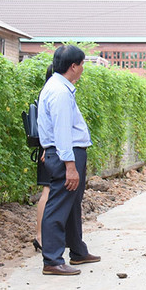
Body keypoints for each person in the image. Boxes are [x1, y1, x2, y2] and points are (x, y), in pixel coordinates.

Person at [37, 46, 100, 275]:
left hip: (66, 152)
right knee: (58, 205)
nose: (83, 69)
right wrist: (70, 165)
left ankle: (78, 251)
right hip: (67, 154)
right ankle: (52, 260)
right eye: (82, 64)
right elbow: (62, 131)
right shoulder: (60, 92)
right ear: (73, 66)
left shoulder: (57, 87)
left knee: (73, 204)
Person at [32, 65, 54, 252]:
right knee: (47, 192)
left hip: (47, 148)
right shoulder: (51, 94)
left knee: (48, 192)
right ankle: (39, 236)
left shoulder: (46, 93)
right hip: (48, 150)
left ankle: (43, 235)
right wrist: (47, 148)